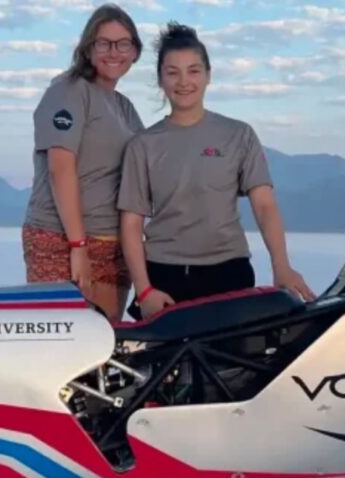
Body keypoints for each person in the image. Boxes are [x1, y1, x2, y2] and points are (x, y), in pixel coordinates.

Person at [118, 22, 315, 320]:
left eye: (194, 70)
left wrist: (281, 266)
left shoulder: (238, 135)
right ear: (160, 79)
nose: (184, 81)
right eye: (173, 72)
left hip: (229, 274)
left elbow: (264, 205)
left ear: (208, 76)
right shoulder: (143, 145)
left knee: (236, 366)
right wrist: (144, 290)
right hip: (165, 279)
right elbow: (131, 223)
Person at [22, 3, 144, 321]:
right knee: (64, 349)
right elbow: (60, 167)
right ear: (88, 47)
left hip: (113, 244)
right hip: (62, 240)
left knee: (104, 351)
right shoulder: (69, 91)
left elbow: (148, 168)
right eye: (103, 43)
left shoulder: (123, 107)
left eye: (123, 44)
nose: (113, 52)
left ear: (135, 52)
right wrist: (78, 245)